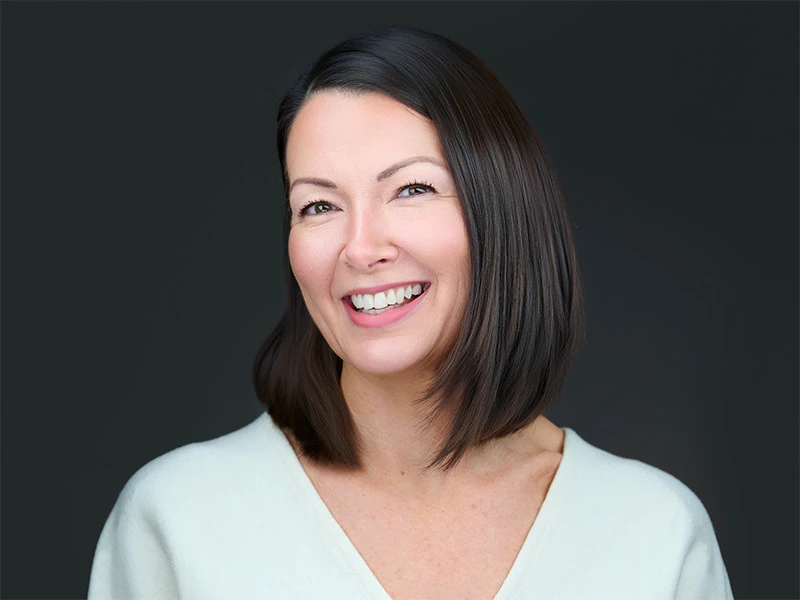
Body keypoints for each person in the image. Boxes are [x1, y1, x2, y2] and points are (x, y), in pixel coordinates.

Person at [88, 26, 733, 599]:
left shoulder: (653, 533)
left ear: (502, 214)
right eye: (319, 205)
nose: (360, 247)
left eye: (412, 189)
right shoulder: (177, 520)